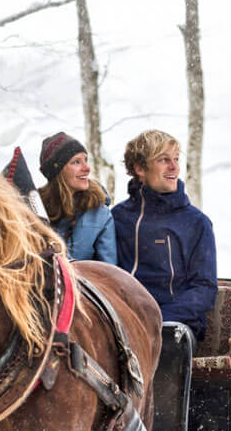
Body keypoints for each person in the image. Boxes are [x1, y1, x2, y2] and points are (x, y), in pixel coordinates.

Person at [111, 129, 217, 346]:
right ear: (140, 168)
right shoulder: (117, 217)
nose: (174, 167)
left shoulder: (196, 223)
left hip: (173, 327)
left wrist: (158, 318)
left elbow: (204, 289)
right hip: (122, 321)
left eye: (176, 159)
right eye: (164, 160)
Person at [37, 132, 116, 264]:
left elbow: (109, 273)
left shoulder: (99, 214)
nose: (87, 168)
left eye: (85, 160)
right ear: (58, 170)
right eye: (76, 162)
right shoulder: (36, 212)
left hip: (83, 283)